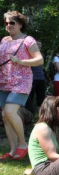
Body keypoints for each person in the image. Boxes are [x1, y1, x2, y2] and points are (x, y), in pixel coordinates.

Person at [0, 11, 43, 161]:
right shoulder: (4, 40)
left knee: (10, 111)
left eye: (12, 23)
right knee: (5, 116)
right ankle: (12, 150)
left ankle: (23, 144)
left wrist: (21, 61)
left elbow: (39, 60)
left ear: (20, 24)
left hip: (21, 81)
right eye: (6, 23)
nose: (8, 25)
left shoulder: (27, 40)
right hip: (4, 81)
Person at [25, 40, 46, 116]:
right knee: (29, 98)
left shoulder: (42, 55)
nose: (39, 45)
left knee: (41, 98)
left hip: (41, 78)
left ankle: (41, 117)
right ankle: (28, 116)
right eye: (37, 44)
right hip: (31, 79)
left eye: (40, 44)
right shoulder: (29, 54)